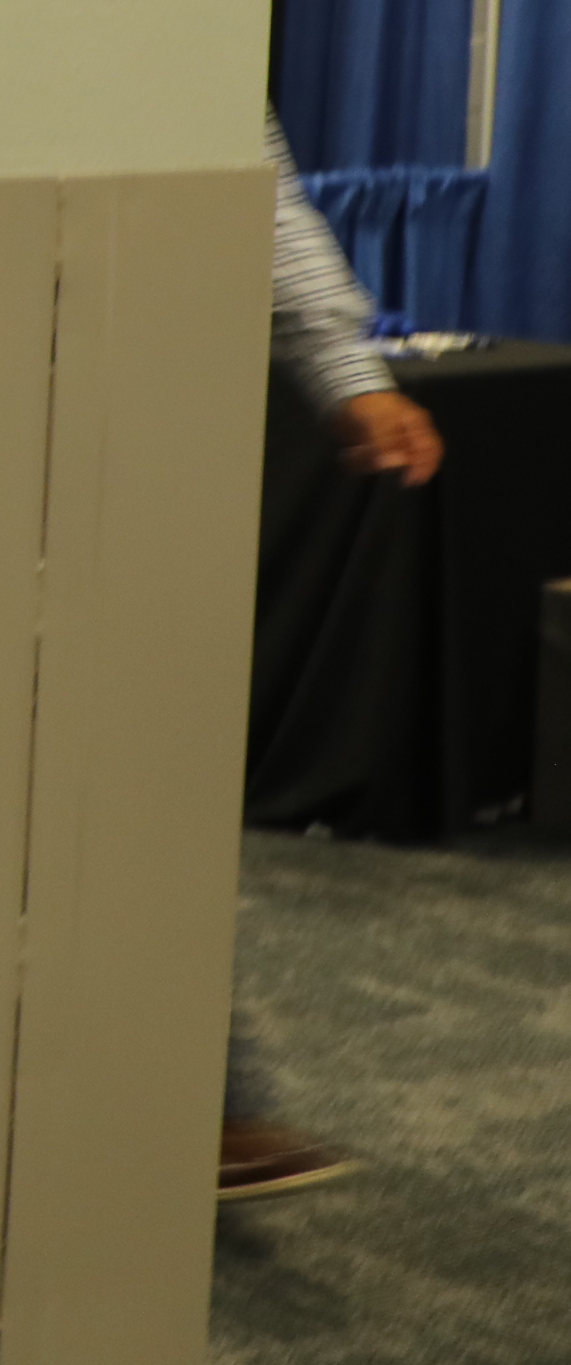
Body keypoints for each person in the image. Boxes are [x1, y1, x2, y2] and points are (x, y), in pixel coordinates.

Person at [221, 112, 438, 1196]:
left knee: (142, 788)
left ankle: (212, 1103)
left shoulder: (185, 35)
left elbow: (257, 188)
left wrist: (351, 372)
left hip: (127, 440)